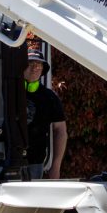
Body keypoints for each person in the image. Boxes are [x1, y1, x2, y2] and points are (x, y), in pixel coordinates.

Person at [23, 47, 67, 179]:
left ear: (43, 69)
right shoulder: (9, 91)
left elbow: (60, 131)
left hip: (36, 163)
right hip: (7, 160)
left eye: (39, 64)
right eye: (30, 63)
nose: (35, 67)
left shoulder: (50, 97)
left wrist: (55, 167)